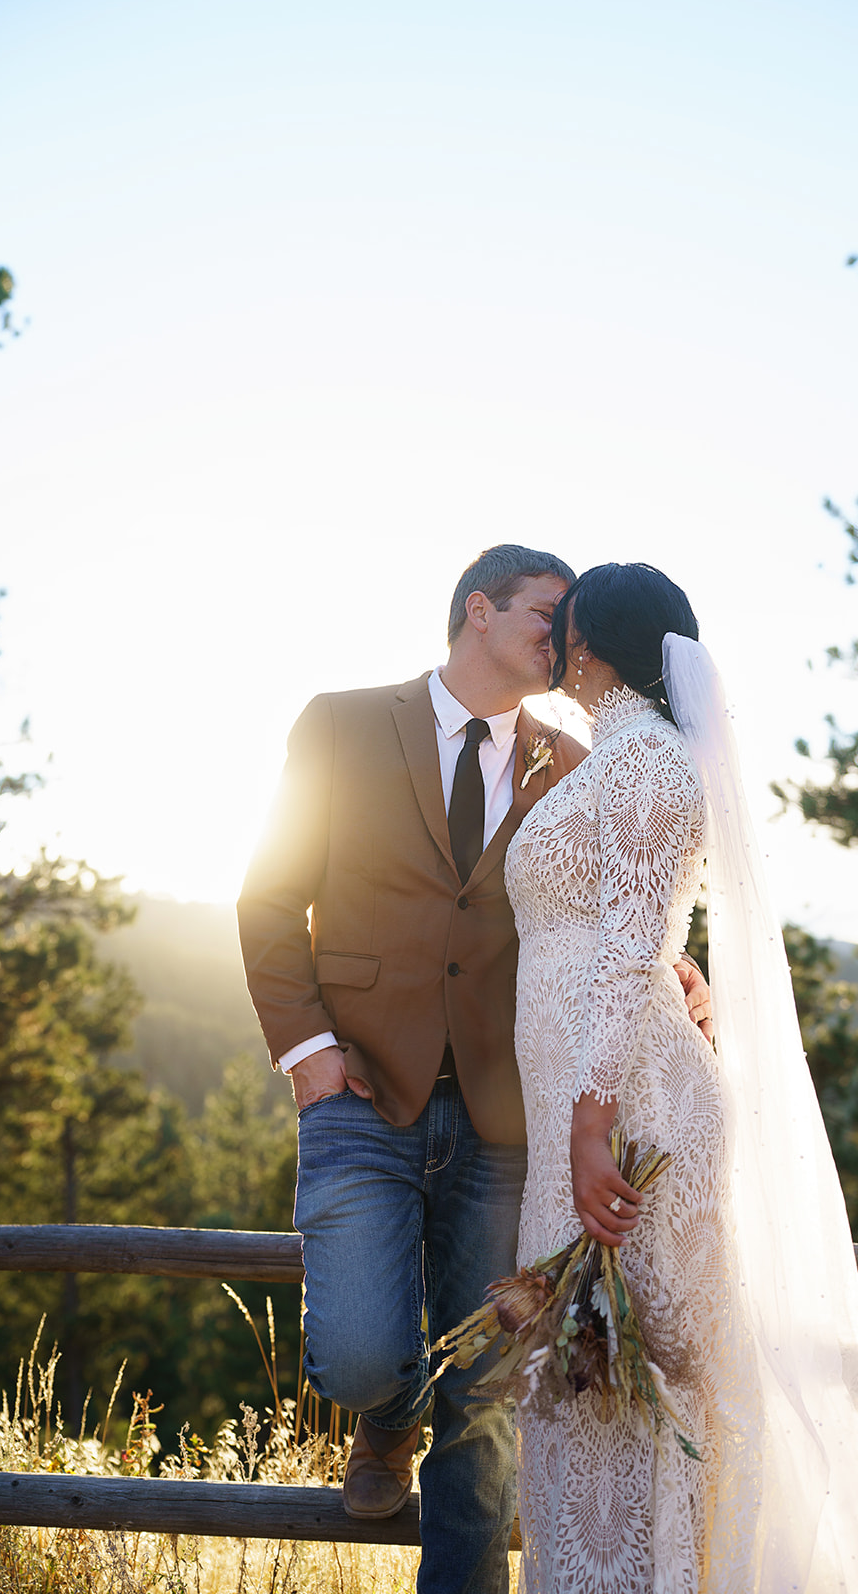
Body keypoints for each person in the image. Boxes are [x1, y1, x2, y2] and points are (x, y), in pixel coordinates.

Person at [237, 545, 712, 1594]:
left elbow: (608, 899)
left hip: (508, 1117)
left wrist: (675, 971)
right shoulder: (340, 721)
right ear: (477, 610)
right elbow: (267, 895)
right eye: (548, 615)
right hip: (359, 1091)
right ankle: (383, 1416)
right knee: (364, 1354)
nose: (564, 635)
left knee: (490, 1396)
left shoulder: (575, 757)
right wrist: (310, 1055)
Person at [505, 561, 858, 1593]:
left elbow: (630, 950)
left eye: (564, 627)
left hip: (630, 1105)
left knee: (651, 1375)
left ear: (590, 644)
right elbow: (630, 923)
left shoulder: (646, 761)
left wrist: (590, 1122)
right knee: (586, 1376)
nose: (552, 642)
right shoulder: (610, 758)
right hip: (583, 1097)